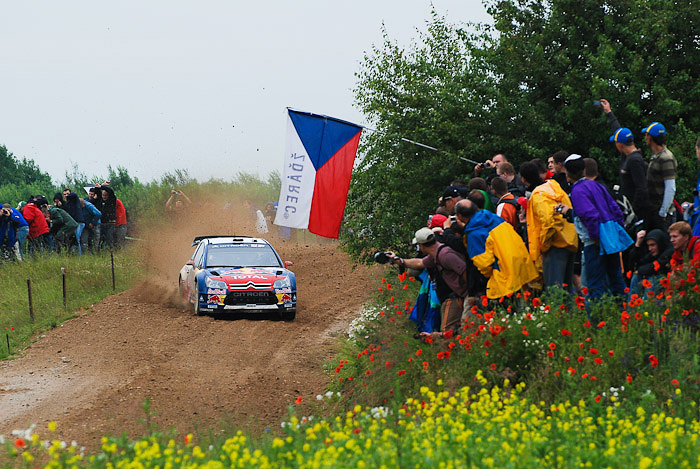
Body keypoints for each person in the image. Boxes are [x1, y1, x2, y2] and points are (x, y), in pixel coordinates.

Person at [562, 155, 632, 301]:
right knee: (616, 280)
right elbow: (615, 209)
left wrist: (596, 237)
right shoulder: (596, 185)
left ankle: (598, 319)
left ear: (568, 174)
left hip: (594, 242)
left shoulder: (577, 191)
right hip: (611, 238)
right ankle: (623, 314)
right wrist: (616, 231)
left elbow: (589, 215)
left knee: (594, 285)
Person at [387, 228, 468, 336]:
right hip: (453, 296)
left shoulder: (445, 254)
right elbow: (420, 263)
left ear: (421, 246)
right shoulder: (436, 254)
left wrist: (468, 294)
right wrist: (399, 261)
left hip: (455, 298)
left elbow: (464, 270)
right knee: (452, 332)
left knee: (447, 334)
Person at [457, 199, 538, 299]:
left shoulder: (474, 233)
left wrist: (490, 276)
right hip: (523, 267)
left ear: (460, 216)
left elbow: (484, 263)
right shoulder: (493, 218)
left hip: (504, 278)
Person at [519, 162, 578, 292]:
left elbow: (548, 222)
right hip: (569, 240)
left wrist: (544, 245)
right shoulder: (553, 186)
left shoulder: (538, 195)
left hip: (554, 245)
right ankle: (570, 312)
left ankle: (558, 313)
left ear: (523, 179)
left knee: (554, 290)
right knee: (567, 288)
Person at [600, 99, 652, 229]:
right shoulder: (627, 154)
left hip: (638, 213)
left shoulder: (634, 161)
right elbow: (618, 131)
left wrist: (632, 210)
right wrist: (609, 112)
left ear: (620, 144)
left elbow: (641, 188)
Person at [641, 122, 677, 230]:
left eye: (646, 135)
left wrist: (663, 213)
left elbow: (670, 188)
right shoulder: (657, 156)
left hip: (663, 215)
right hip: (655, 210)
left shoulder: (666, 158)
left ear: (650, 137)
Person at [628, 229, 674, 297]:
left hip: (665, 277)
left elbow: (656, 266)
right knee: (636, 277)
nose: (650, 248)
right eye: (649, 245)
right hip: (654, 274)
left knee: (653, 280)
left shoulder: (669, 251)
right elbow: (636, 263)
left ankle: (649, 306)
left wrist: (640, 270)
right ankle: (632, 306)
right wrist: (637, 245)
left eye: (653, 245)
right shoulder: (653, 253)